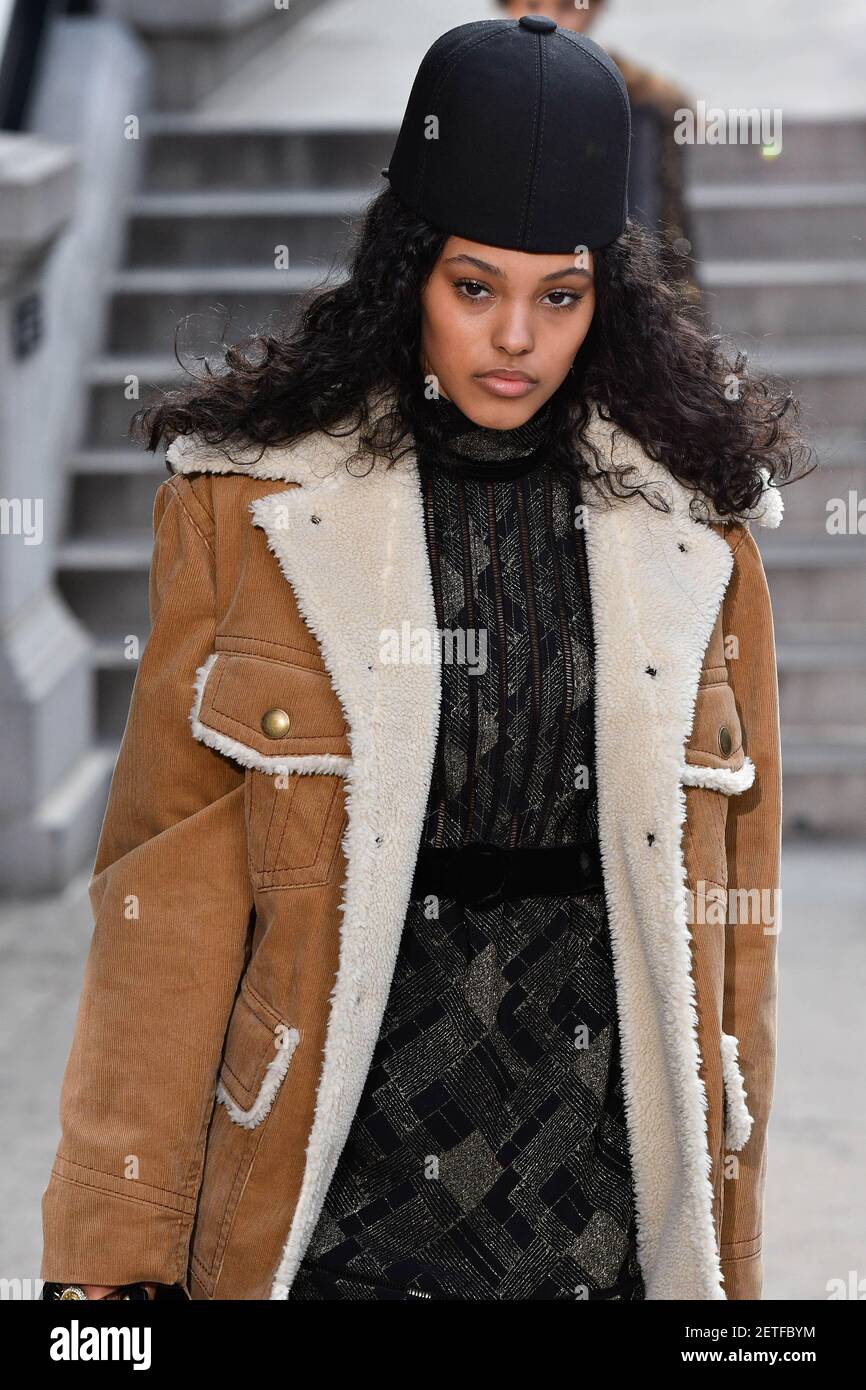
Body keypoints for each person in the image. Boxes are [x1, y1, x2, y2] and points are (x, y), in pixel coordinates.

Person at [40, 16, 810, 1301]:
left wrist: (724, 1270)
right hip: (339, 1177)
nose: (514, 337)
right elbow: (157, 914)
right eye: (473, 287)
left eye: (556, 296)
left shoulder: (696, 535)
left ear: (601, 297)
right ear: (407, 273)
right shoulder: (250, 514)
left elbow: (734, 947)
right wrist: (102, 1280)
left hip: (600, 1197)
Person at [497, 0, 701, 304]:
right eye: (532, 3)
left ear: (593, 10)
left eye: (567, 6)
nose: (548, 17)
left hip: (607, 275)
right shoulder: (481, 79)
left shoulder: (632, 91)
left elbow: (662, 223)